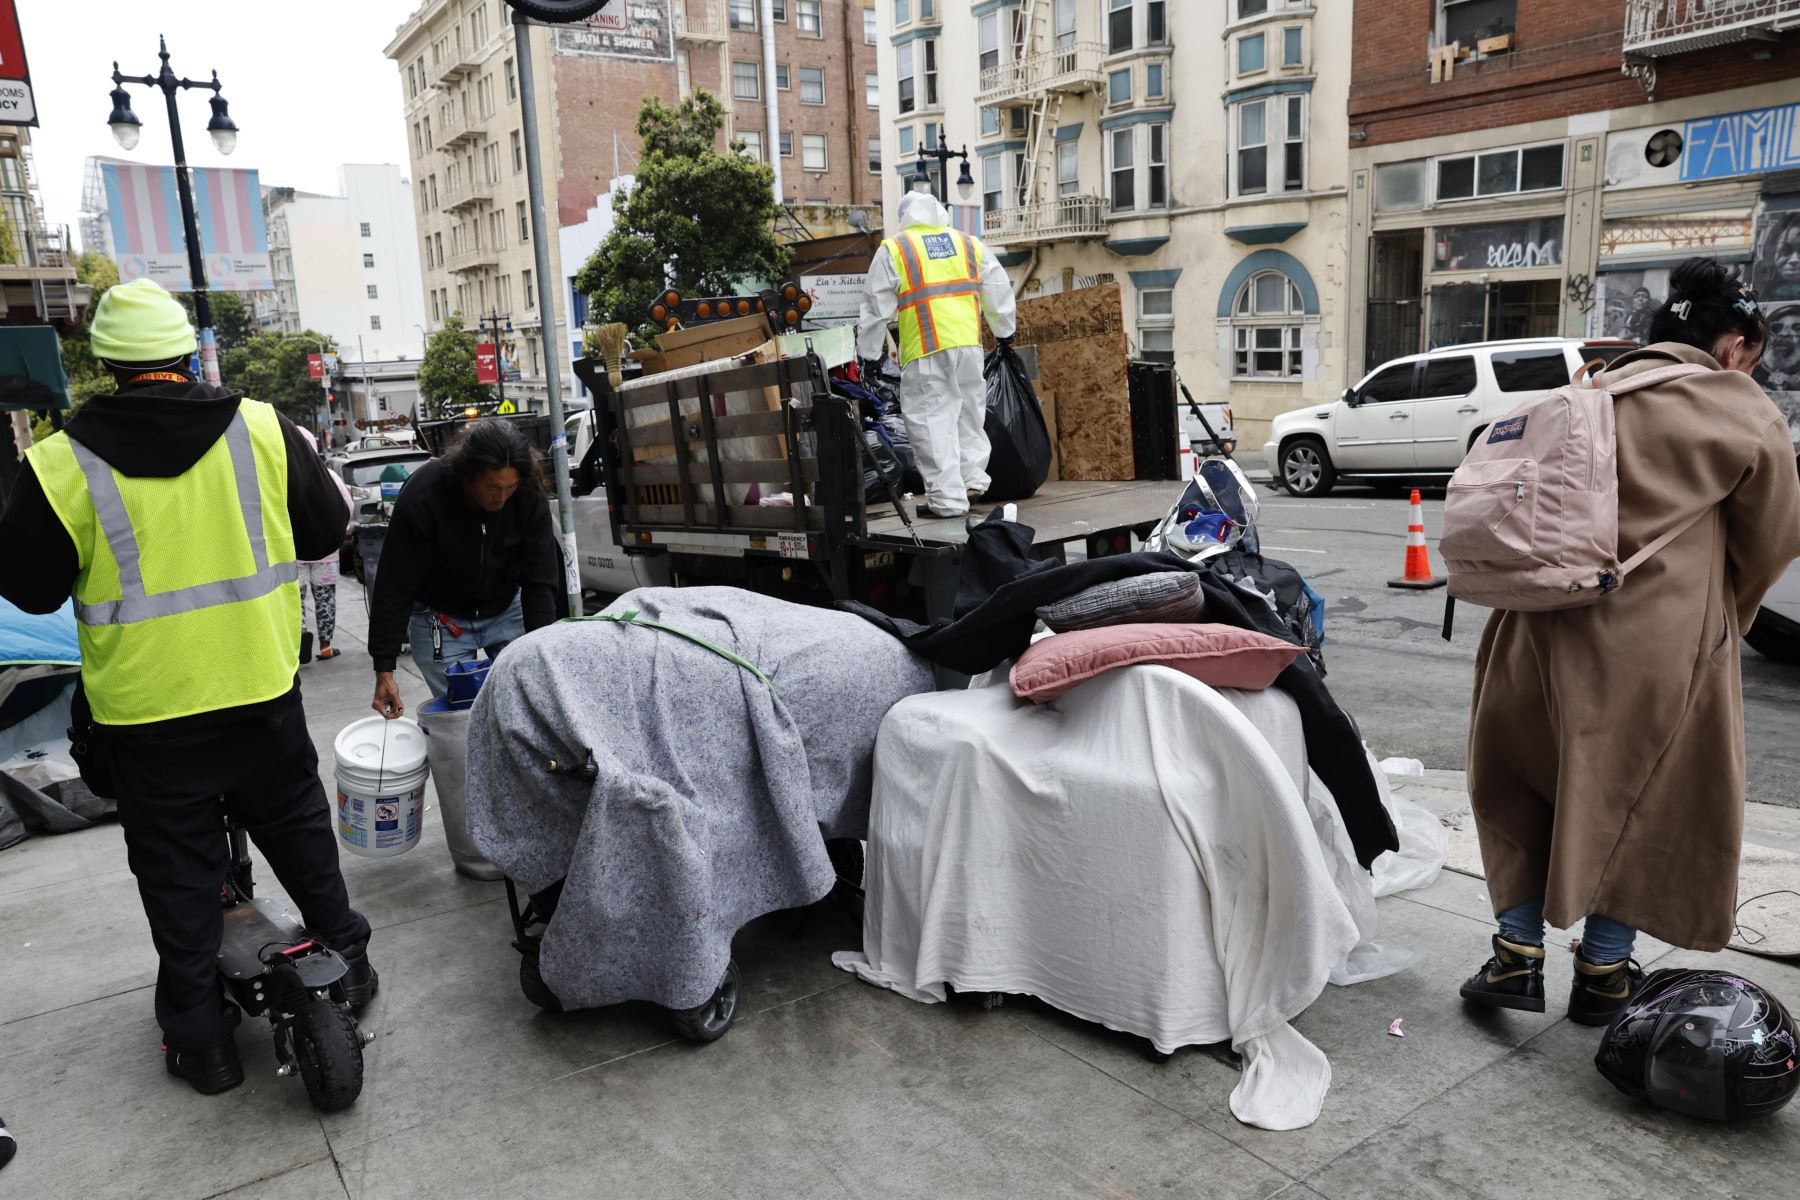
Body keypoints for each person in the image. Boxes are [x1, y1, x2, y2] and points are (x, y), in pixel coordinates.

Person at [0, 278, 376, 1095]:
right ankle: (348, 967)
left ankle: (203, 1046)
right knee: (303, 842)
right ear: (184, 355)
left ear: (104, 362)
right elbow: (322, 532)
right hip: (259, 693)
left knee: (178, 877)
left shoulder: (58, 463)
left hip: (147, 718)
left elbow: (27, 589)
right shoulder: (265, 430)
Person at [1460, 259, 1800, 1027]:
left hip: (1532, 626)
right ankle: (1605, 972)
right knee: (1649, 800)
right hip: (1658, 647)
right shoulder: (1737, 407)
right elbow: (1775, 538)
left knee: (1523, 779)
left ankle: (1515, 956)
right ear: (1733, 345)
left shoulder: (1583, 390)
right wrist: (1723, 616)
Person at [368, 417, 560, 718]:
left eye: (509, 488)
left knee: (529, 707)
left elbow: (540, 577)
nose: (501, 497)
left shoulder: (527, 492)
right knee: (465, 721)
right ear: (468, 475)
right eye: (492, 487)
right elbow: (395, 583)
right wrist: (384, 666)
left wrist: (541, 649)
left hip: (507, 608)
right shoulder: (424, 494)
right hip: (441, 619)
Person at [857, 191, 1017, 519]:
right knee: (968, 415)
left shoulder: (897, 248)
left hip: (927, 349)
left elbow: (875, 306)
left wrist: (869, 354)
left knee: (932, 421)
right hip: (968, 345)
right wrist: (1004, 330)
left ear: (905, 216)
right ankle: (971, 480)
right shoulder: (968, 244)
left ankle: (946, 500)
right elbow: (998, 286)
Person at [296, 427, 351, 663]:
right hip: (326, 551)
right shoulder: (331, 477)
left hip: (293, 552)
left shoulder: (283, 476)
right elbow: (346, 506)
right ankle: (326, 646)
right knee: (325, 598)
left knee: (294, 599)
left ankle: (299, 637)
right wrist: (341, 533)